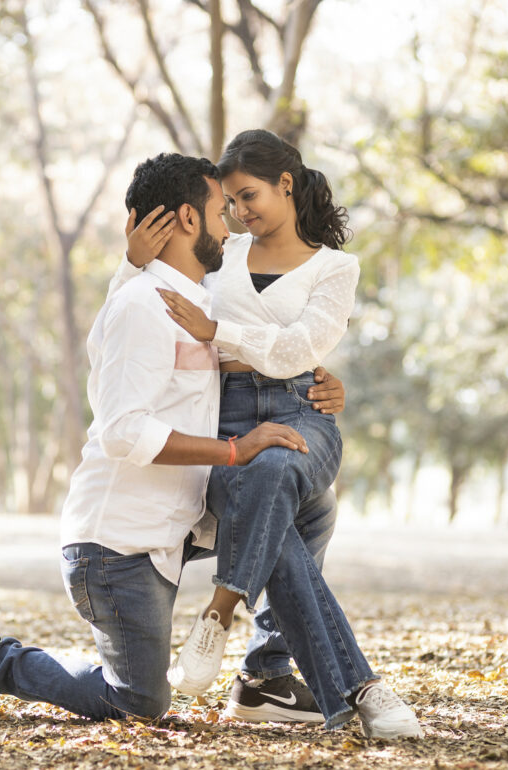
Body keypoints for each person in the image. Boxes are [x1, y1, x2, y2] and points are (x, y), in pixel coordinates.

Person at [0, 153, 316, 723]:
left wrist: (320, 379)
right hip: (116, 548)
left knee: (299, 508)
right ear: (188, 220)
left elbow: (273, 342)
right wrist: (233, 451)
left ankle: (266, 675)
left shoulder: (196, 302)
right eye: (222, 211)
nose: (232, 225)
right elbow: (124, 430)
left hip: (175, 528)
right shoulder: (142, 305)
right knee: (138, 703)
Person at [118, 129, 423, 739]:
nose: (239, 211)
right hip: (225, 414)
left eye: (250, 194)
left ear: (287, 182)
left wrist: (217, 332)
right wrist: (131, 263)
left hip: (302, 409)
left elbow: (295, 352)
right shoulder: (222, 256)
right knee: (274, 510)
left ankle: (219, 609)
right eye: (228, 201)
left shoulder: (338, 267)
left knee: (277, 469)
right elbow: (157, 298)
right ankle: (359, 687)